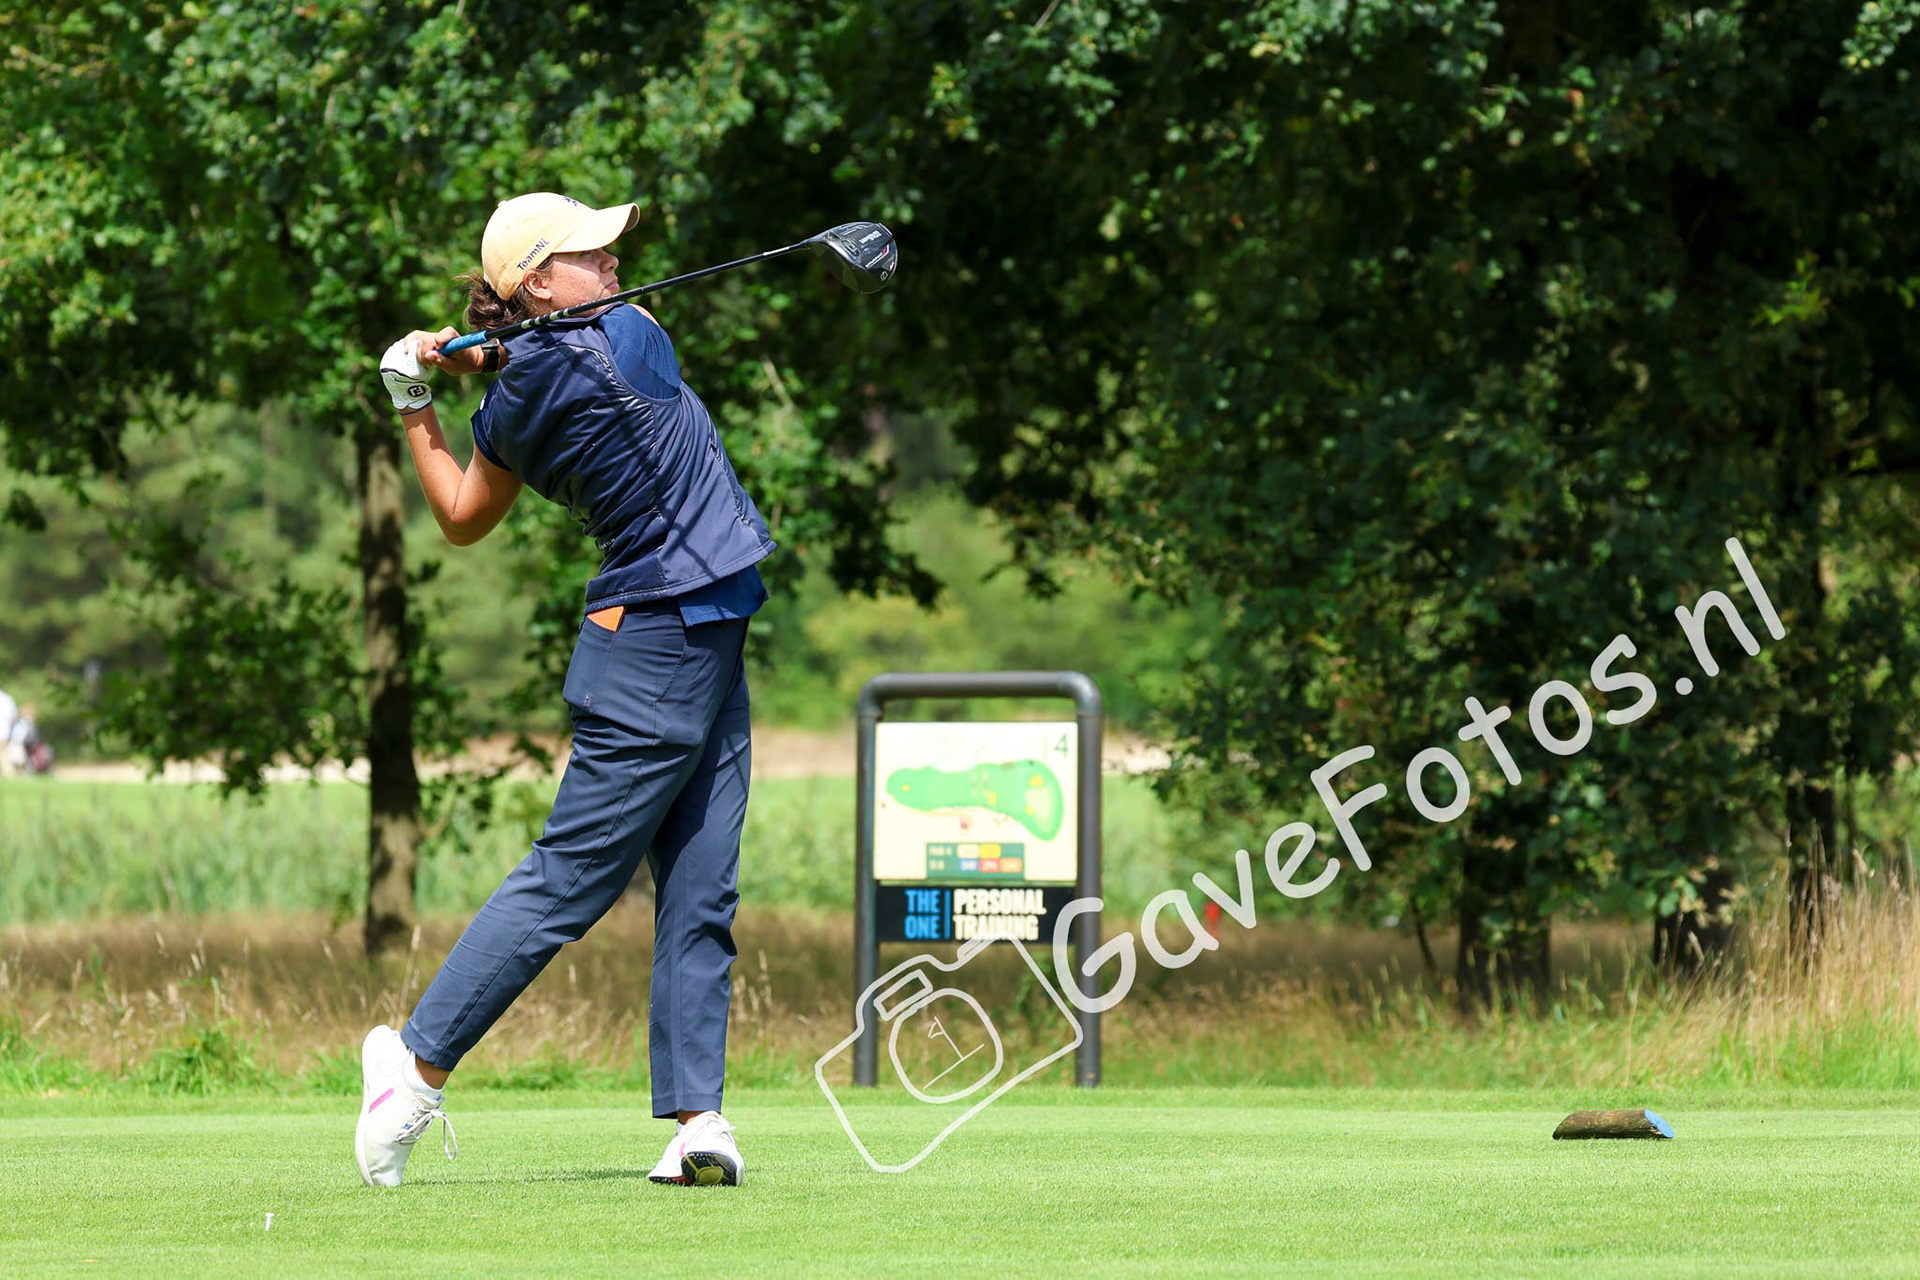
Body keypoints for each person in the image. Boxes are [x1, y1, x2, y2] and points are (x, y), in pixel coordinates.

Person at [356, 192, 775, 1189]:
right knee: (570, 880)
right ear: (536, 281)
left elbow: (459, 510)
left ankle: (696, 1118)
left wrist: (418, 399)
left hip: (702, 631)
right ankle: (410, 1074)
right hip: (660, 643)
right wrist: (475, 363)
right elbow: (568, 355)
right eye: (593, 252)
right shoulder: (627, 337)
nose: (618, 262)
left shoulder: (514, 399)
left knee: (703, 885)